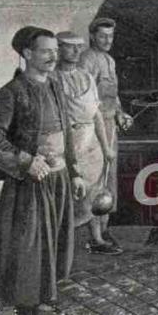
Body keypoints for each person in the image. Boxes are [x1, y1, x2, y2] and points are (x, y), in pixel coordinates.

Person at [0, 26, 87, 315]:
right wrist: (25, 162)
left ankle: (38, 309)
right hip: (29, 187)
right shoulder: (11, 92)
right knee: (28, 257)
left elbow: (65, 133)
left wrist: (75, 170)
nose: (54, 56)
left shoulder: (54, 84)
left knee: (53, 249)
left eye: (55, 50)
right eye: (45, 51)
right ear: (27, 54)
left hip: (58, 183)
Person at [53, 31, 120, 255]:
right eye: (69, 47)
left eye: (78, 47)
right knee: (68, 194)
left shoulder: (86, 77)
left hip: (91, 142)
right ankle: (61, 245)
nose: (75, 51)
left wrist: (106, 147)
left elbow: (96, 115)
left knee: (96, 192)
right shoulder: (52, 79)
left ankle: (96, 239)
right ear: (58, 49)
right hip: (67, 142)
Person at [79, 18, 133, 248]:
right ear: (92, 36)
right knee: (95, 180)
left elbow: (113, 95)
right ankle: (95, 238)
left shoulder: (109, 61)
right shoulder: (87, 59)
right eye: (102, 36)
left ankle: (104, 229)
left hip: (111, 125)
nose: (107, 40)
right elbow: (84, 97)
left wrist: (121, 114)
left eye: (110, 36)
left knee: (109, 179)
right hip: (93, 128)